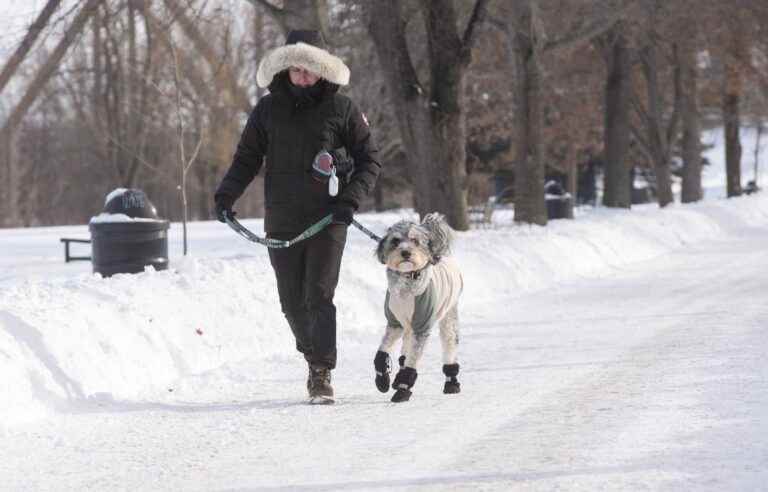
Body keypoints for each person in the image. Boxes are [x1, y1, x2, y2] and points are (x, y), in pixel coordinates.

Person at [214, 30, 380, 404]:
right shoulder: (267, 110)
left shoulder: (344, 109)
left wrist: (349, 200)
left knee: (318, 295)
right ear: (286, 68)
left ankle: (320, 372)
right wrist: (225, 196)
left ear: (323, 70)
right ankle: (311, 354)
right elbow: (247, 159)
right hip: (283, 218)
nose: (304, 76)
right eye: (297, 69)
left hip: (328, 218)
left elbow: (370, 161)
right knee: (291, 302)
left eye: (311, 70)